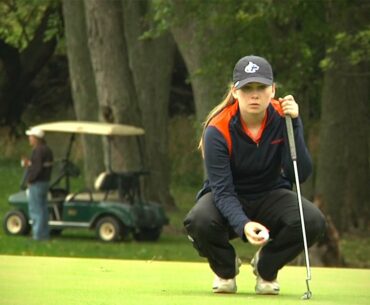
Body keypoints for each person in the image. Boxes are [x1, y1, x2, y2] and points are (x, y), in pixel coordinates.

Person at [184, 55, 326, 295]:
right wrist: (244, 224)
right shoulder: (217, 129)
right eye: (247, 88)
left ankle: (266, 268)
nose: (254, 94)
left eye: (261, 87)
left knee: (312, 220)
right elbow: (223, 190)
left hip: (271, 193)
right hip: (227, 196)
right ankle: (226, 270)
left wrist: (296, 124)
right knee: (199, 221)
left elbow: (299, 174)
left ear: (273, 90)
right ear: (235, 91)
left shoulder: (284, 118)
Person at [23, 127, 53, 241]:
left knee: (36, 209)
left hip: (37, 183)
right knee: (43, 209)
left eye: (31, 137)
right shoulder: (47, 149)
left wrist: (30, 179)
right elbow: (41, 165)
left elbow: (38, 168)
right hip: (45, 182)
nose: (29, 139)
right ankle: (44, 234)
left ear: (36, 138)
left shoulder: (38, 150)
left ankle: (38, 235)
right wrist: (30, 163)